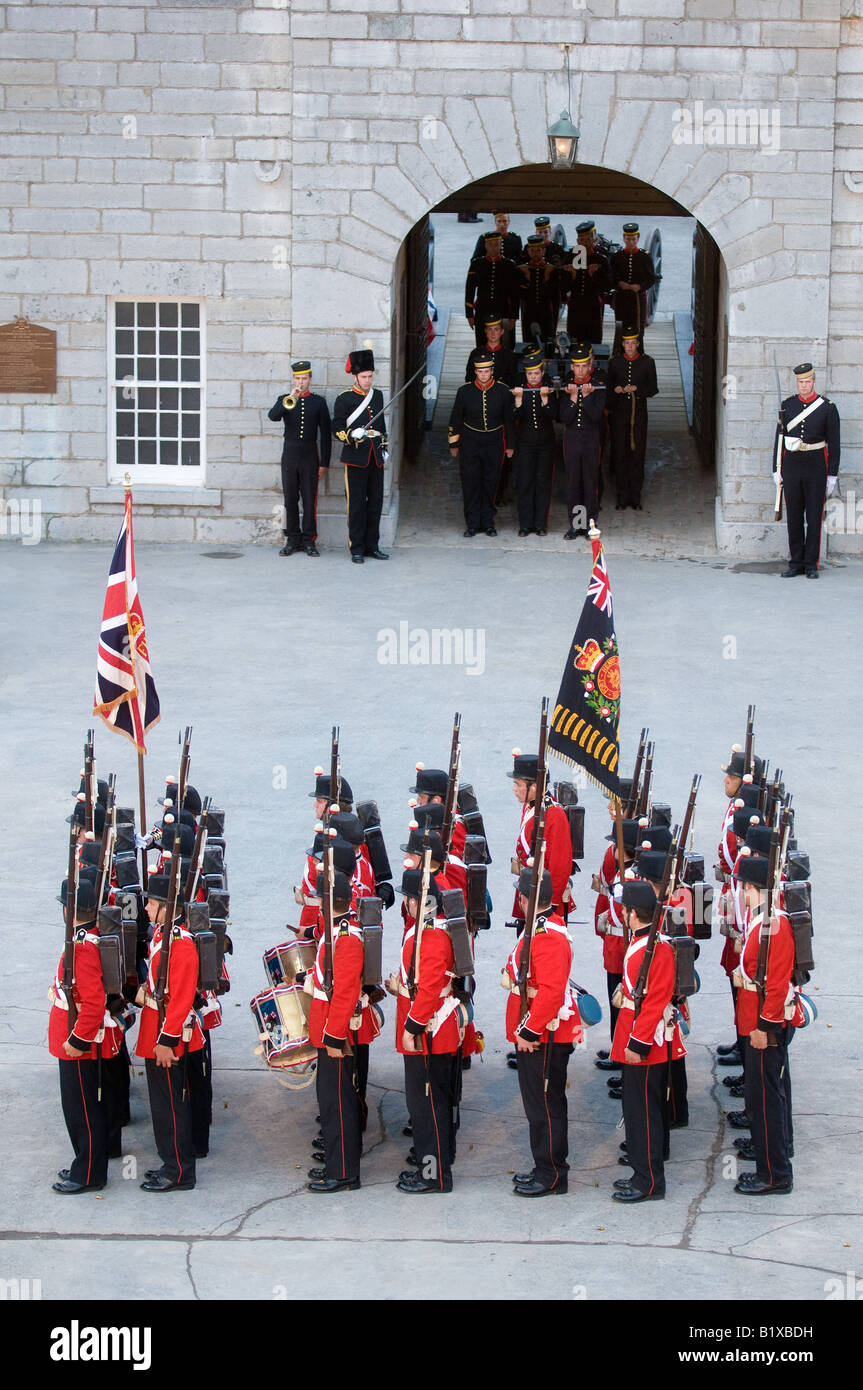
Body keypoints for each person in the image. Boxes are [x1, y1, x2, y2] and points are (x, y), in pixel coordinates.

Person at [504, 868, 582, 1197]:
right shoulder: (540, 926)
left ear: (525, 899)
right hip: (537, 1031)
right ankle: (544, 1166)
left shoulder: (548, 934)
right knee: (540, 1104)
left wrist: (529, 1031)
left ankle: (551, 1173)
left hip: (543, 1035)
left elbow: (550, 993)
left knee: (545, 1106)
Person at [49, 871, 124, 1194]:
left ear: (68, 910)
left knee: (82, 1110)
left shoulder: (81, 948)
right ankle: (89, 1163)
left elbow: (93, 1003)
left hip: (79, 1043)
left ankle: (88, 1172)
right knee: (87, 1107)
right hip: (77, 1038)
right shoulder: (87, 939)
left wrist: (77, 1041)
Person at [611, 879, 685, 1203]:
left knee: (643, 1114)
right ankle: (641, 1174)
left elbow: (655, 1000)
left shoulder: (654, 947)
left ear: (631, 913)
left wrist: (637, 1043)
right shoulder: (646, 941)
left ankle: (649, 1182)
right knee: (637, 1112)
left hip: (645, 1044)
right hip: (638, 1035)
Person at [388, 868, 460, 1193]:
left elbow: (429, 991)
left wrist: (411, 1028)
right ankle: (432, 1169)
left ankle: (433, 1175)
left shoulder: (430, 936)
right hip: (428, 1029)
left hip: (427, 1033)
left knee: (427, 1108)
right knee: (431, 1106)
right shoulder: (426, 929)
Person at [136, 873, 205, 1192]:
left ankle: (180, 1170)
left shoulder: (181, 942)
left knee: (172, 1106)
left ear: (166, 907)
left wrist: (166, 1041)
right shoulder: (163, 934)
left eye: (151, 904)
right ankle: (170, 1162)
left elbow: (179, 998)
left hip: (168, 1036)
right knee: (162, 1105)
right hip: (157, 1028)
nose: (146, 909)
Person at [732, 854, 796, 1194]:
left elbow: (776, 983)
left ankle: (774, 1175)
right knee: (760, 1098)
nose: (741, 892)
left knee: (767, 1100)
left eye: (744, 886)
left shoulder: (774, 925)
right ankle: (767, 1165)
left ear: (752, 888)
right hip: (754, 1021)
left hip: (763, 1026)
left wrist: (764, 1027)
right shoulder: (762, 921)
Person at [306, 870, 369, 1193]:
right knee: (329, 1101)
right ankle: (335, 1163)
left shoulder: (346, 938)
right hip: (326, 1027)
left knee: (338, 1104)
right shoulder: (337, 930)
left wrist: (333, 1036)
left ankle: (343, 1171)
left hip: (334, 1033)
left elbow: (345, 992)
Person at [774, 362, 840, 578]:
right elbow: (779, 439)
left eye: (807, 382)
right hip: (792, 465)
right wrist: (776, 469)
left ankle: (811, 564)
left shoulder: (827, 407)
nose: (804, 385)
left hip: (816, 466)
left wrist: (832, 474)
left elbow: (835, 443)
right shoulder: (788, 405)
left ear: (813, 382)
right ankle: (796, 562)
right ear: (797, 382)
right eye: (801, 382)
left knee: (813, 516)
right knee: (793, 516)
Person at [268, 360, 332, 557]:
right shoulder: (285, 399)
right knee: (290, 499)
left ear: (310, 379)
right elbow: (273, 416)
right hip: (290, 455)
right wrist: (291, 397)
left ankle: (309, 540)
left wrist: (324, 463)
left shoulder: (318, 402)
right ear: (293, 379)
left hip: (310, 457)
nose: (301, 382)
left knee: (309, 498)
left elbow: (326, 435)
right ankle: (292, 539)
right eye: (297, 378)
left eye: (304, 378)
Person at [448, 351, 515, 538]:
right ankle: (471, 523)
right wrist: (454, 444)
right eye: (480, 372)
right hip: (470, 442)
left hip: (494, 443)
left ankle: (488, 522)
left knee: (490, 482)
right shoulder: (464, 392)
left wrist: (510, 445)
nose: (484, 375)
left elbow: (508, 420)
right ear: (475, 372)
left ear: (492, 371)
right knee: (471, 483)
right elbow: (455, 419)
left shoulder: (502, 391)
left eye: (487, 371)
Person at [332, 348, 389, 565]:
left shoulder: (379, 395)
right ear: (354, 376)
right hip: (356, 457)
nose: (368, 380)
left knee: (375, 503)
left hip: (376, 457)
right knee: (356, 505)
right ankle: (356, 547)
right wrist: (349, 435)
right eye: (364, 377)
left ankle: (372, 546)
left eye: (370, 376)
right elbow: (336, 427)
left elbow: (381, 425)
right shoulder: (344, 399)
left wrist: (384, 445)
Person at [606, 328, 658, 510]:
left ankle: (635, 497)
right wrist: (616, 390)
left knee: (637, 455)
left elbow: (653, 389)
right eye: (626, 343)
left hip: (639, 415)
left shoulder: (647, 363)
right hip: (619, 415)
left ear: (637, 344)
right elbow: (608, 388)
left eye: (633, 343)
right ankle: (621, 497)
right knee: (620, 454)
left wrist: (637, 389)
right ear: (622, 344)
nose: (630, 346)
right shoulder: (615, 363)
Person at [558, 343, 606, 539]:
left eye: (584, 366)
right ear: (572, 367)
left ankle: (590, 525)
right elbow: (564, 417)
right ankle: (576, 525)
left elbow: (596, 417)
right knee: (573, 483)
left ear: (589, 366)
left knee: (589, 482)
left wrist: (585, 398)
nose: (580, 370)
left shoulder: (597, 386)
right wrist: (573, 397)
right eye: (577, 366)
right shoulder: (567, 387)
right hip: (572, 439)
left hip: (590, 439)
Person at [512, 348, 557, 537]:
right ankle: (525, 524)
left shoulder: (548, 390)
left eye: (536, 373)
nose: (532, 377)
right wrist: (518, 400)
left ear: (542, 373)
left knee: (542, 482)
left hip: (545, 444)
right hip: (526, 443)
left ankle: (540, 524)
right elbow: (514, 417)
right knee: (525, 482)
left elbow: (556, 416)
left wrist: (546, 400)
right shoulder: (520, 390)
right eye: (530, 374)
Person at [464, 232, 520, 348]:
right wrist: (469, 314)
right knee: (482, 343)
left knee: (506, 345)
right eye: (490, 245)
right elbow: (469, 290)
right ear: (485, 246)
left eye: (496, 245)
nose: (493, 248)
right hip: (482, 310)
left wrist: (513, 317)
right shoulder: (477, 264)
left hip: (503, 310)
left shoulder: (509, 265)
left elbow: (515, 294)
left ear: (501, 246)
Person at [560, 220, 609, 346]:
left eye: (587, 239)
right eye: (581, 240)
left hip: (593, 305)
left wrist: (595, 276)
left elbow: (608, 285)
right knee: (574, 338)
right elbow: (561, 286)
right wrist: (572, 276)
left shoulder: (601, 257)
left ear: (594, 239)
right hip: (576, 305)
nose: (584, 243)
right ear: (577, 241)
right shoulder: (571, 255)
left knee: (594, 339)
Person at [609, 224, 656, 349]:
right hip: (621, 298)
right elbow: (611, 276)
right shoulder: (617, 256)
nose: (631, 242)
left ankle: (638, 351)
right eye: (628, 239)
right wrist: (619, 283)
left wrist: (640, 287)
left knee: (638, 327)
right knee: (621, 325)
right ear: (624, 238)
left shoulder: (645, 257)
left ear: (638, 238)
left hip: (637, 299)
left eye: (633, 239)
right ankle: (619, 350)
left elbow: (651, 278)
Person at [516, 235, 559, 347]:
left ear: (544, 251)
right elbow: (519, 294)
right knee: (529, 344)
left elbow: (556, 297)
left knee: (548, 344)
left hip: (546, 313)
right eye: (532, 250)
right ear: (528, 251)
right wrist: (527, 278)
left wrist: (547, 278)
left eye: (538, 250)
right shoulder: (521, 270)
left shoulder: (552, 269)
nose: (535, 253)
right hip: (528, 313)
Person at [465, 315, 519, 387]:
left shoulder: (509, 355)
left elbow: (513, 380)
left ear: (502, 331)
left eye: (496, 329)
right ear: (485, 331)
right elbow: (469, 378)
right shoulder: (476, 353)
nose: (493, 333)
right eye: (490, 329)